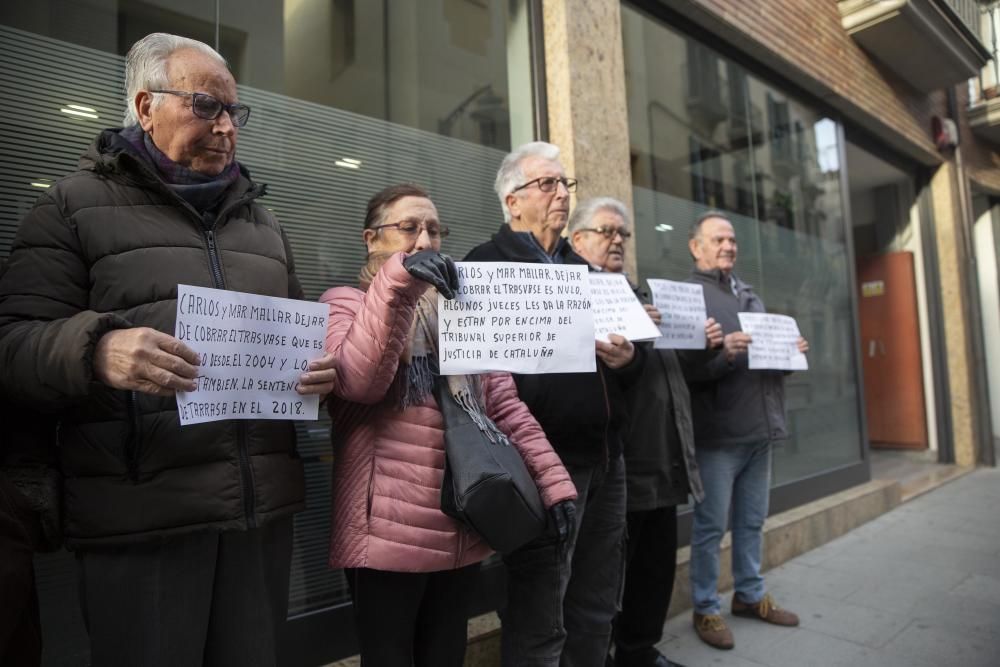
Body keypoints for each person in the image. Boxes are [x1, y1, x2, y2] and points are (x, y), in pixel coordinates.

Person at [0, 33, 336, 666]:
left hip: (257, 515)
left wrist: (320, 370)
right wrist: (96, 350)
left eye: (235, 112)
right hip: (143, 518)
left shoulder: (262, 225)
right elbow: (11, 346)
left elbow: (304, 332)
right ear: (145, 104)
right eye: (207, 106)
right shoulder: (71, 208)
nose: (227, 127)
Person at [321, 183, 578, 666]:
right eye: (409, 228)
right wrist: (399, 284)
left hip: (460, 523)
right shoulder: (345, 303)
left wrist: (553, 484)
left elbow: (503, 406)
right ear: (371, 239)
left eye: (434, 230)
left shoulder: (460, 309)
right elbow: (360, 382)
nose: (424, 240)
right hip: (386, 536)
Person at [465, 143, 643, 666]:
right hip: (540, 462)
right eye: (549, 184)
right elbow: (474, 376)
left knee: (596, 601)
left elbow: (636, 366)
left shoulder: (588, 272)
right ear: (512, 200)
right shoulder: (484, 265)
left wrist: (628, 358)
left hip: (607, 457)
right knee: (542, 609)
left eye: (566, 184)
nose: (563, 194)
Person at [566, 198, 723, 667]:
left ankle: (640, 652)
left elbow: (670, 372)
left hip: (665, 457)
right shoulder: (578, 294)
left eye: (624, 235)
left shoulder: (637, 295)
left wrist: (703, 345)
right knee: (610, 575)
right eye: (607, 231)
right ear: (578, 240)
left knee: (654, 570)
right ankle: (610, 653)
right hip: (621, 463)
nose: (618, 241)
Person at [680, 211, 809, 650]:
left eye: (732, 240)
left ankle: (750, 596)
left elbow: (766, 359)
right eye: (718, 240)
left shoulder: (749, 295)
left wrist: (791, 354)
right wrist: (725, 355)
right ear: (696, 248)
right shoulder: (690, 298)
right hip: (718, 436)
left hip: (760, 431)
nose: (728, 246)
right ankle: (705, 607)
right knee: (711, 526)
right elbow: (684, 373)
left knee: (752, 521)